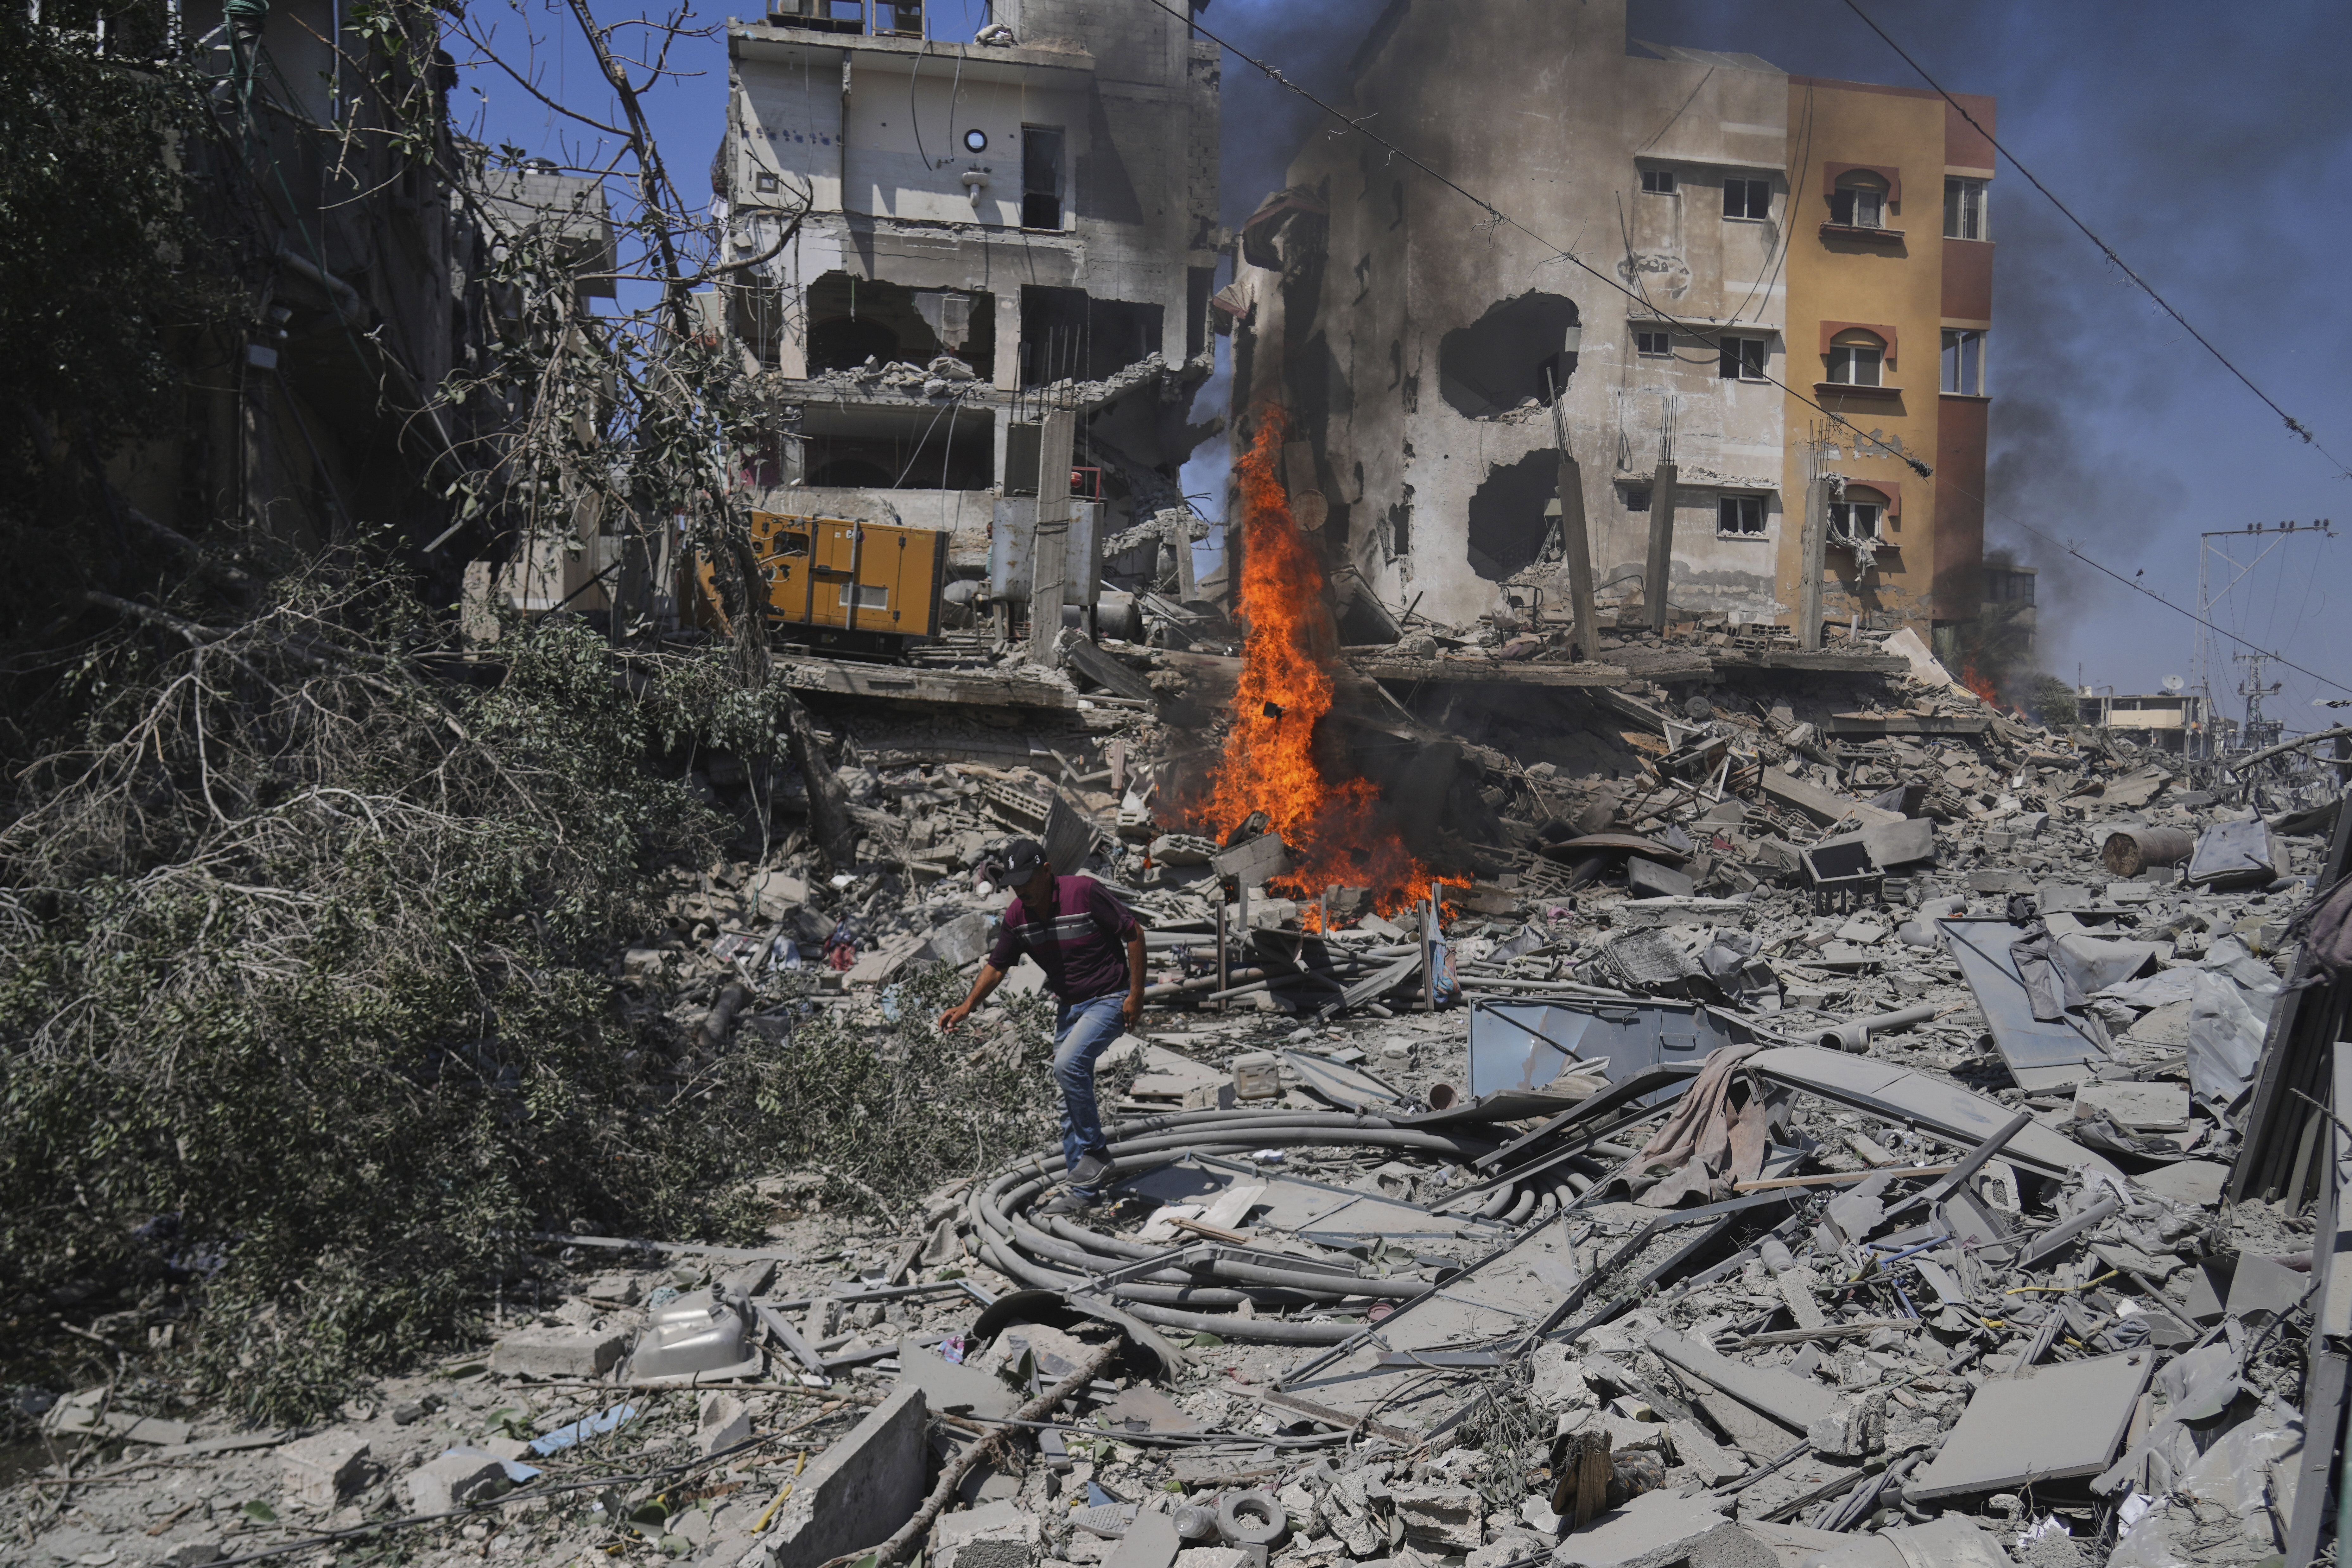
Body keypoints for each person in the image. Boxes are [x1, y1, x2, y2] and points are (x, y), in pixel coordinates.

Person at [937, 837, 1146, 1215]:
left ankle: (1096, 1153)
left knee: (1067, 1064)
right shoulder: (1017, 915)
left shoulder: (1083, 893)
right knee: (1067, 1099)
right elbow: (997, 965)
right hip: (1070, 1006)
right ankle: (1083, 1196)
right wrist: (968, 1005)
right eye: (1015, 885)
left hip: (1109, 996)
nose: (1021, 891)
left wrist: (1135, 994)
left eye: (1027, 881)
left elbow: (1134, 933)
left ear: (1047, 871)